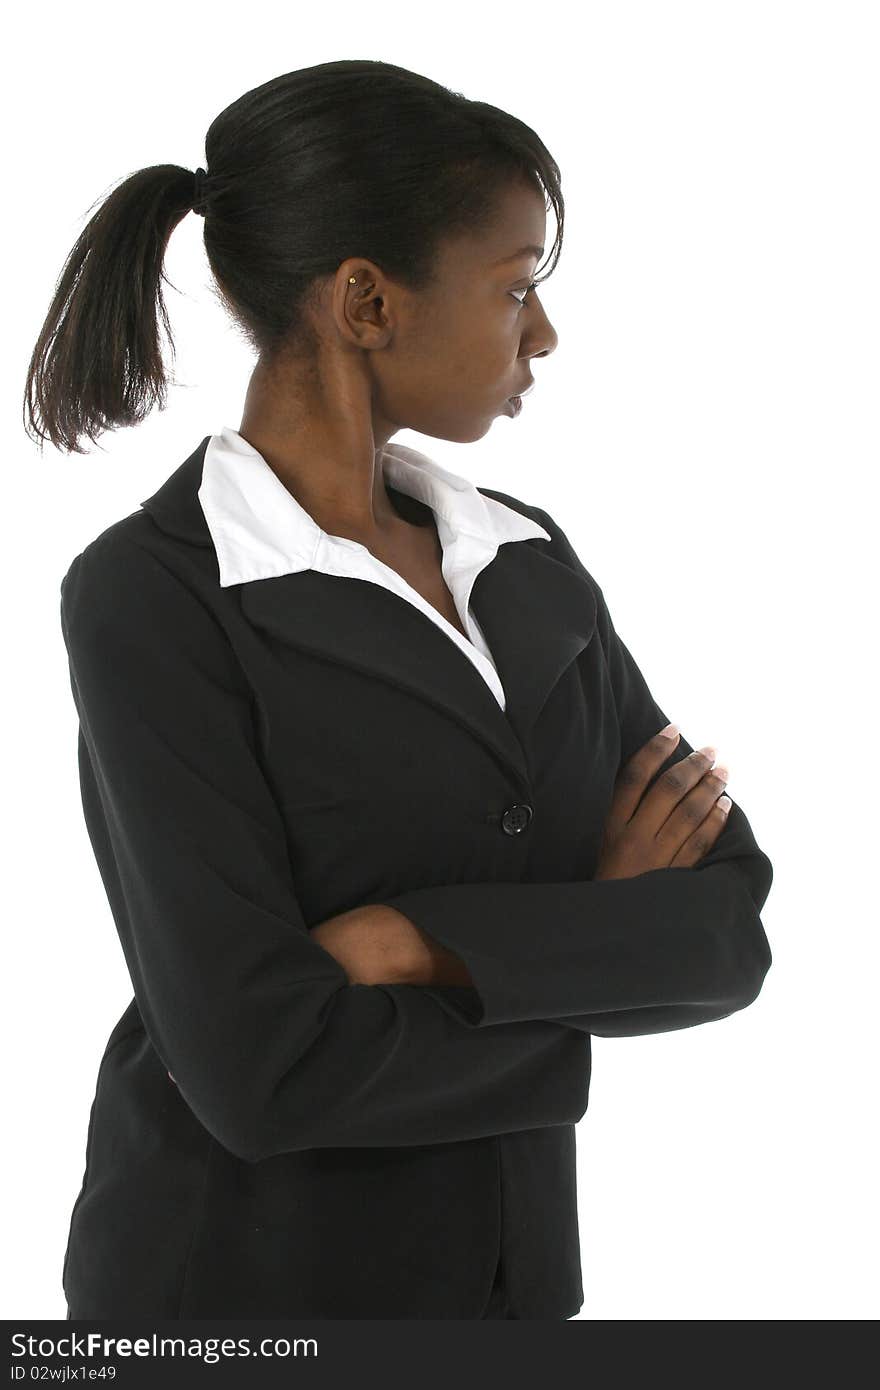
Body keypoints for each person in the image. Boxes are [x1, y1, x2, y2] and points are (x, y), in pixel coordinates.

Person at [25, 59, 773, 1321]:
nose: (541, 332)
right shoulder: (154, 597)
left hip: (513, 1283)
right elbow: (259, 1069)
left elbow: (722, 929)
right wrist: (587, 951)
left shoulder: (525, 558)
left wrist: (408, 946)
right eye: (515, 283)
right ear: (367, 300)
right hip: (237, 1296)